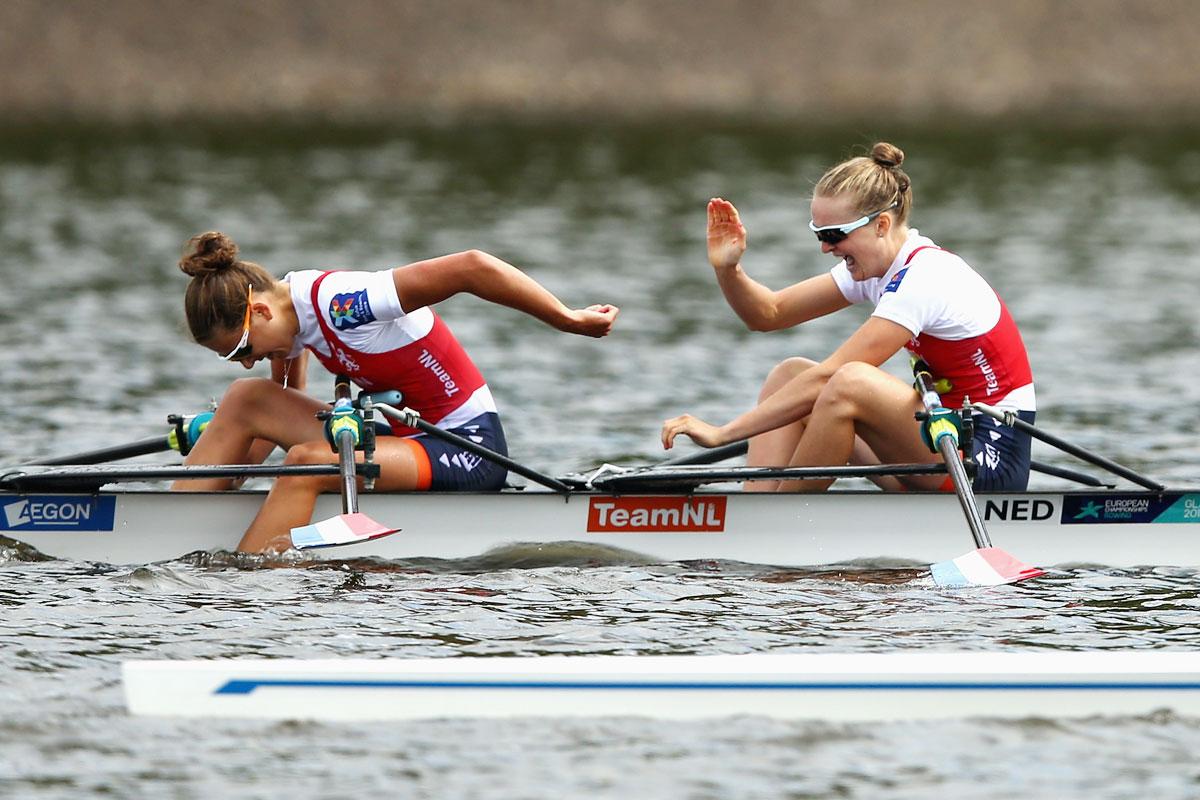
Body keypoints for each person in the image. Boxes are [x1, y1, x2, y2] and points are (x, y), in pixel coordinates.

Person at [174, 232, 618, 552]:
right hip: (401, 438)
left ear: (259, 310)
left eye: (241, 349)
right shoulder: (287, 317)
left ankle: (243, 587)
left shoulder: (342, 304)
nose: (248, 361)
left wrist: (569, 320)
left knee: (304, 464)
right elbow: (272, 412)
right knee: (244, 398)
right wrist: (232, 477)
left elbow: (471, 266)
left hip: (466, 447)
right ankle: (172, 520)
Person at [661, 142, 1035, 493]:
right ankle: (756, 509)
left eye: (835, 234)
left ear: (882, 225)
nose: (826, 247)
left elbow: (831, 375)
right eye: (818, 233)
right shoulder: (878, 268)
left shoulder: (924, 277)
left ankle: (779, 521)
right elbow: (768, 313)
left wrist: (722, 433)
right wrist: (729, 270)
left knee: (849, 382)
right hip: (939, 439)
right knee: (787, 377)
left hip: (985, 462)